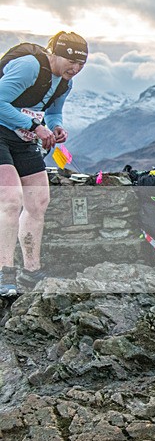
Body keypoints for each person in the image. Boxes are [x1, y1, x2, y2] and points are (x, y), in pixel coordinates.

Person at [0, 31, 88, 297]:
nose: (76, 69)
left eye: (82, 65)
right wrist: (35, 127)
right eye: (72, 62)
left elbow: (53, 111)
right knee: (11, 200)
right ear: (57, 54)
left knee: (38, 202)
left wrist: (56, 126)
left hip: (24, 138)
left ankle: (31, 270)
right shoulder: (29, 67)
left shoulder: (64, 82)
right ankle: (5, 273)